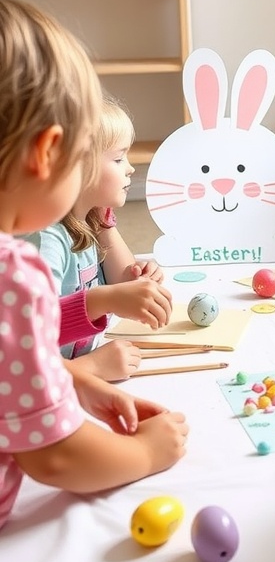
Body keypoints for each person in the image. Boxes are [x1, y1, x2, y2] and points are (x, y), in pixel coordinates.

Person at [0, 0, 188, 531]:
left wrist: (71, 382)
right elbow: (55, 457)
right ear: (48, 152)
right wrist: (150, 455)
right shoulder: (15, 272)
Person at [24, 96, 172, 382]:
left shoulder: (88, 220)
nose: (130, 168)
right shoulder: (46, 239)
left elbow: (123, 282)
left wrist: (137, 280)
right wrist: (90, 369)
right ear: (77, 169)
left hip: (70, 369)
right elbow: (32, 329)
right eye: (118, 159)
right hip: (43, 381)